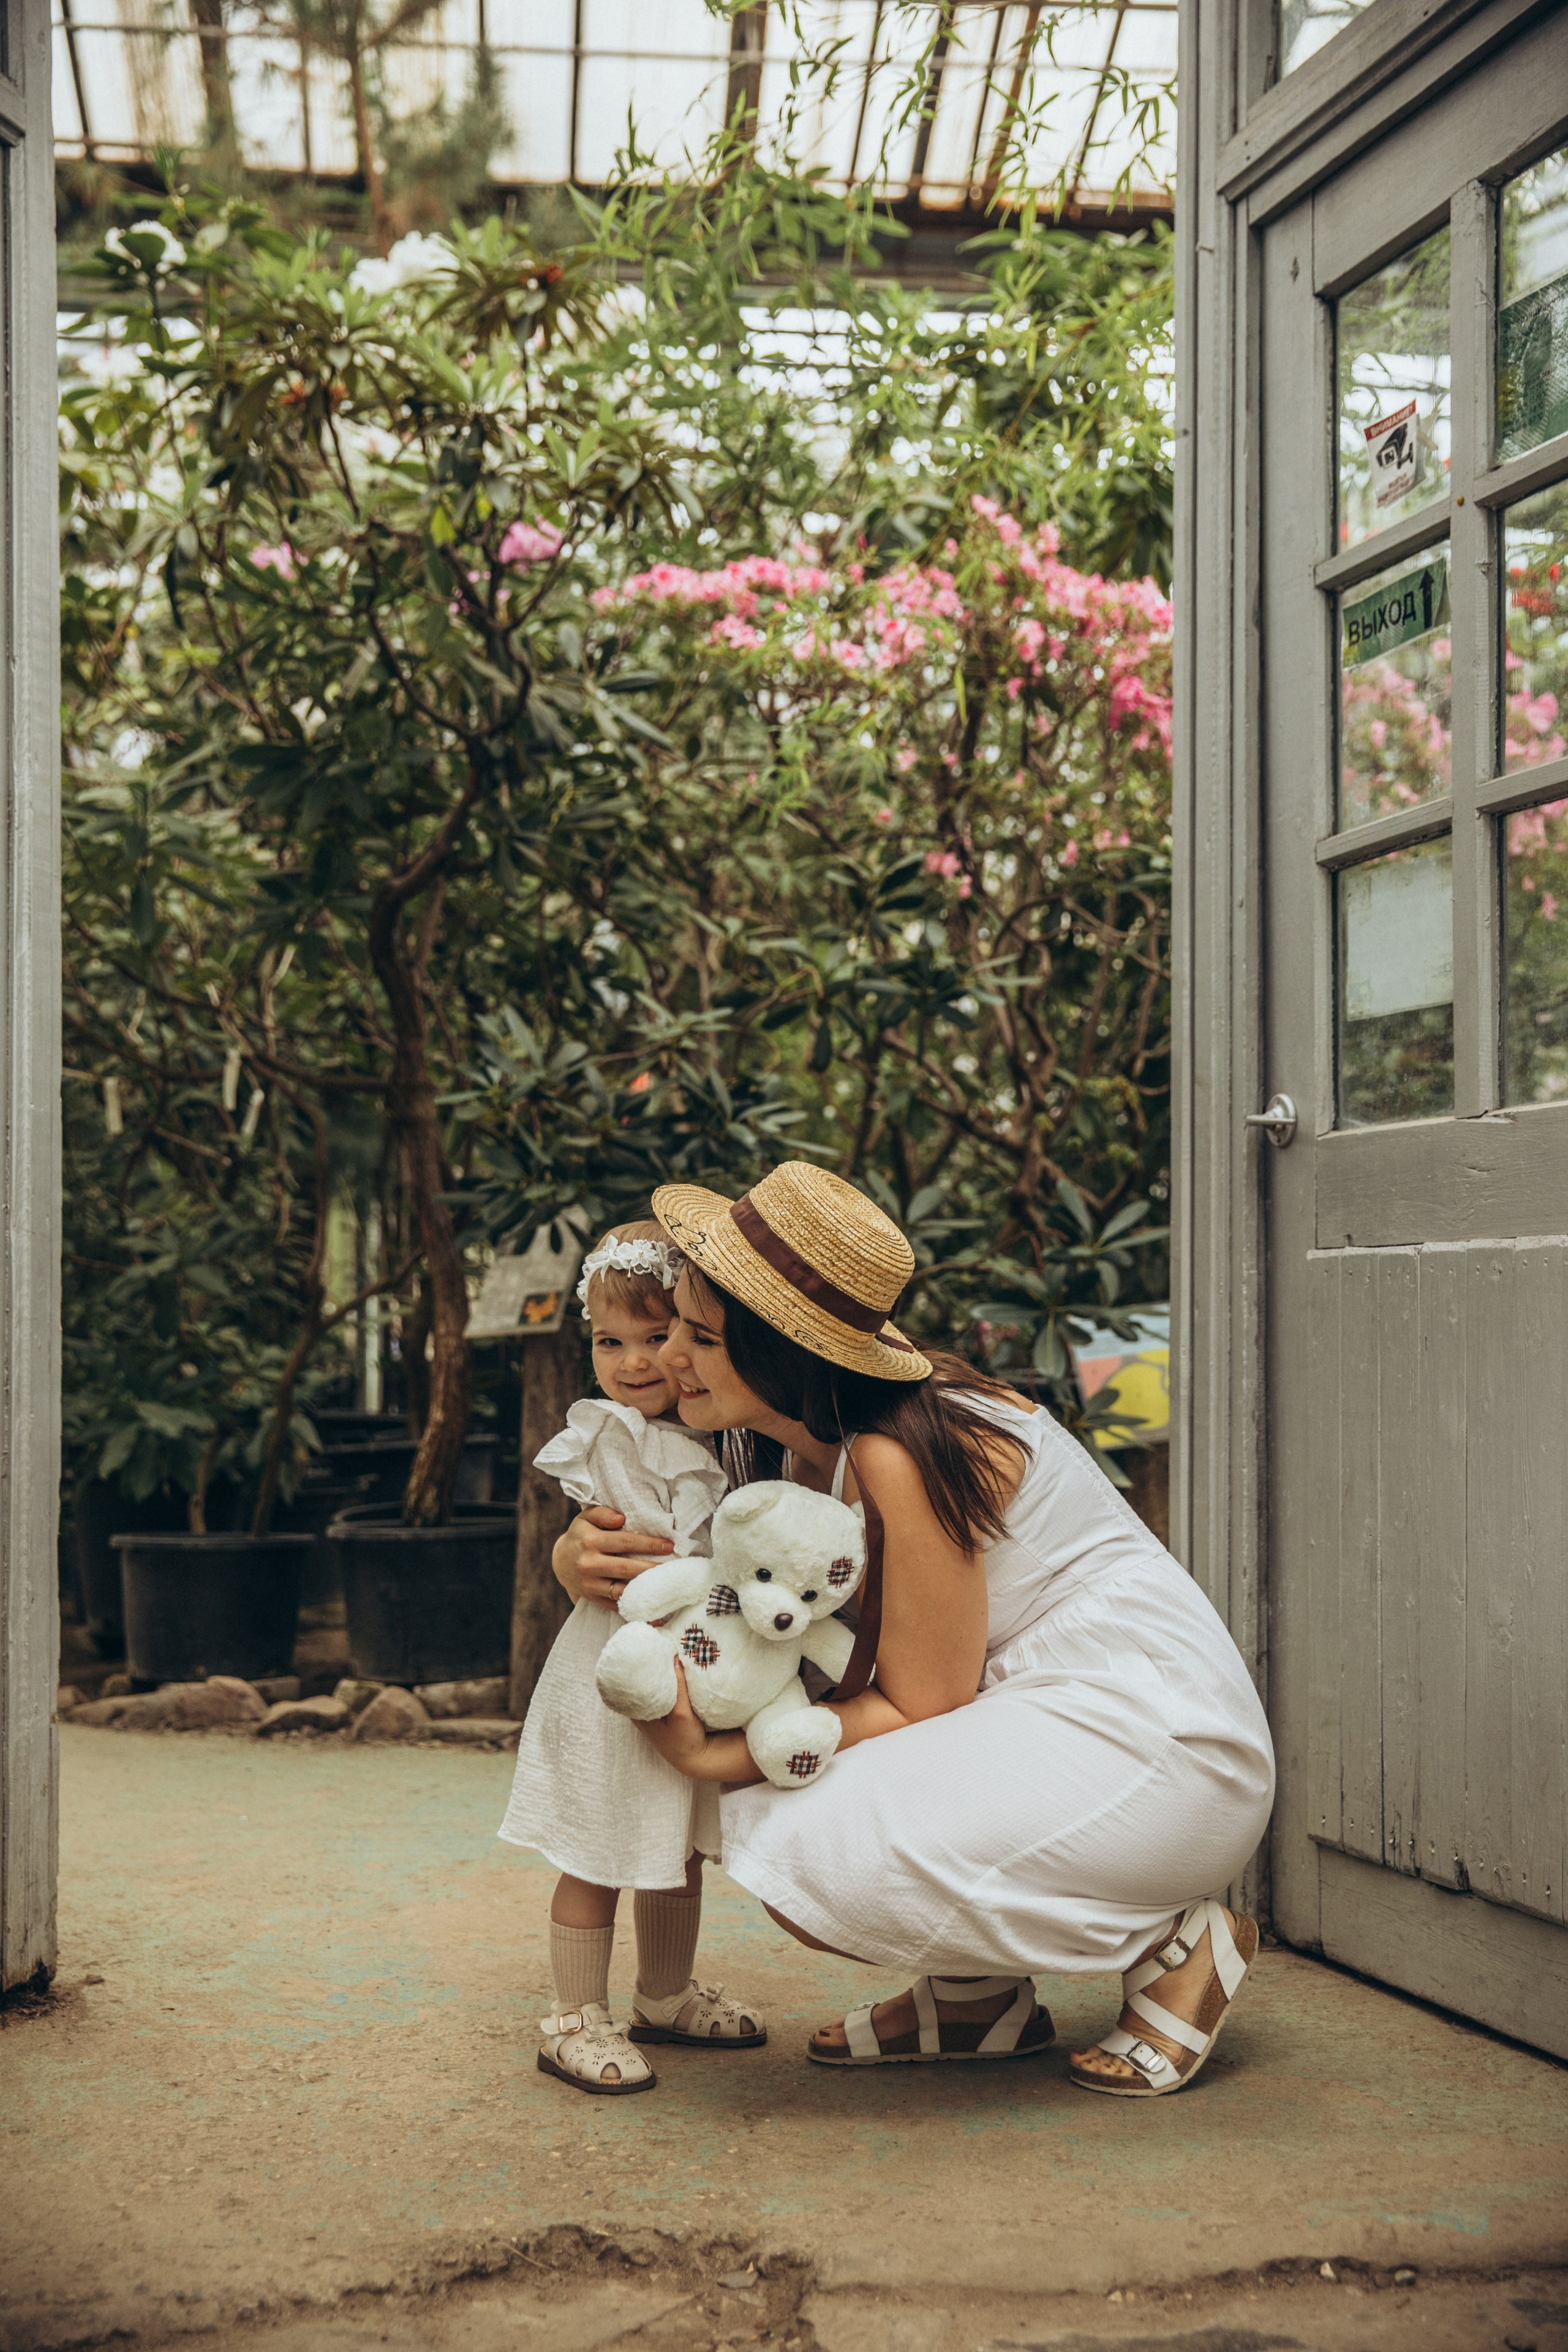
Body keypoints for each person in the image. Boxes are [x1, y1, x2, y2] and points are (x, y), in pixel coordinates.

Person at [554, 1164, 1276, 2096]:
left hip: (1158, 1743)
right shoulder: (795, 1440)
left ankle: (1176, 1942)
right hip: (1044, 1718)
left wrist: (715, 1758)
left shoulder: (897, 1447)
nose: (669, 1359)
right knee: (788, 1800)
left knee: (797, 1833)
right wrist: (578, 1559)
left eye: (698, 1336)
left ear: (781, 1351)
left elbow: (922, 1699)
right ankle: (976, 1999)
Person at [498, 1219, 767, 2096]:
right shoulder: (617, 1436)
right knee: (600, 1842)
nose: (637, 1361)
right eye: (612, 1341)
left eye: (660, 1337)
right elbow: (614, 1542)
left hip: (688, 1658)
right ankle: (573, 2016)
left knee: (673, 1839)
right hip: (620, 1664)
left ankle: (664, 1993)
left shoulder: (712, 1433)